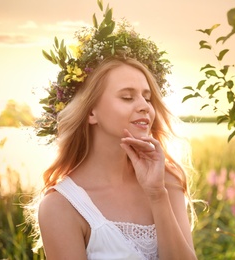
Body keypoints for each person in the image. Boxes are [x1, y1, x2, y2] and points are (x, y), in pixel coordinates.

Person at [29, 2, 197, 260]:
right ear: (91, 112)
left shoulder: (167, 183)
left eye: (147, 97)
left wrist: (156, 195)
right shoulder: (61, 206)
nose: (144, 107)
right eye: (127, 98)